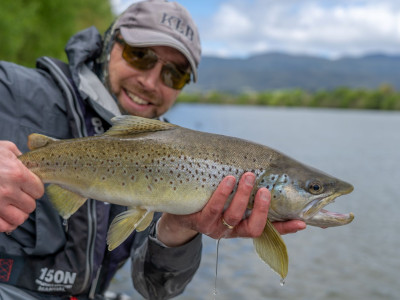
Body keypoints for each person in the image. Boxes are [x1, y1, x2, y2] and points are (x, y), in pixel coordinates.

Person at [0, 0, 306, 299]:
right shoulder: (13, 90)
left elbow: (154, 289)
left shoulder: (177, 160)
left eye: (174, 74)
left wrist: (178, 230)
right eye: (140, 55)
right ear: (109, 44)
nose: (150, 81)